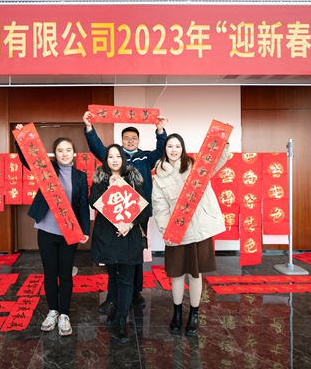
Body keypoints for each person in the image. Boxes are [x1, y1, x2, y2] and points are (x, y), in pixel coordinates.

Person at [83, 111, 168, 313]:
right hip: (113, 214)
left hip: (138, 214)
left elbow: (161, 150)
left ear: (138, 140)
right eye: (126, 138)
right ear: (121, 141)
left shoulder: (146, 157)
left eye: (134, 138)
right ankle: (112, 298)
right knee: (113, 256)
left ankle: (135, 293)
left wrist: (160, 131)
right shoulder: (115, 157)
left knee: (135, 255)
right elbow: (97, 147)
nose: (130, 141)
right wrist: (89, 128)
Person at [14, 124, 90, 337]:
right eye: (60, 150)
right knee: (50, 273)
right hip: (46, 230)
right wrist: (21, 138)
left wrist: (85, 230)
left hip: (69, 233)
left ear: (73, 153)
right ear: (55, 154)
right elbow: (27, 159)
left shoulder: (80, 176)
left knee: (65, 274)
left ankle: (64, 314)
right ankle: (52, 311)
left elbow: (83, 205)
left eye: (68, 150)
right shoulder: (47, 170)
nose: (64, 154)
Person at [151, 133, 230, 337]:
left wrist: (223, 142)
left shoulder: (195, 167)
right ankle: (177, 314)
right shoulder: (158, 176)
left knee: (196, 274)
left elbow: (217, 162)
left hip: (199, 230)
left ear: (183, 148)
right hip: (176, 232)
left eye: (177, 146)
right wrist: (167, 231)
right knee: (176, 274)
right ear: (165, 149)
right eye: (170, 146)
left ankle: (194, 314)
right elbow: (160, 207)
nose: (174, 150)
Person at [88, 144, 147, 343]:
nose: (114, 160)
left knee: (126, 280)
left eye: (118, 156)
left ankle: (123, 318)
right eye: (110, 157)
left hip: (129, 237)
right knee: (113, 277)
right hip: (108, 237)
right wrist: (110, 187)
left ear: (123, 159)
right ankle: (115, 309)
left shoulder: (133, 178)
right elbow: (93, 202)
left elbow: (144, 209)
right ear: (105, 160)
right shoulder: (100, 179)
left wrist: (130, 224)